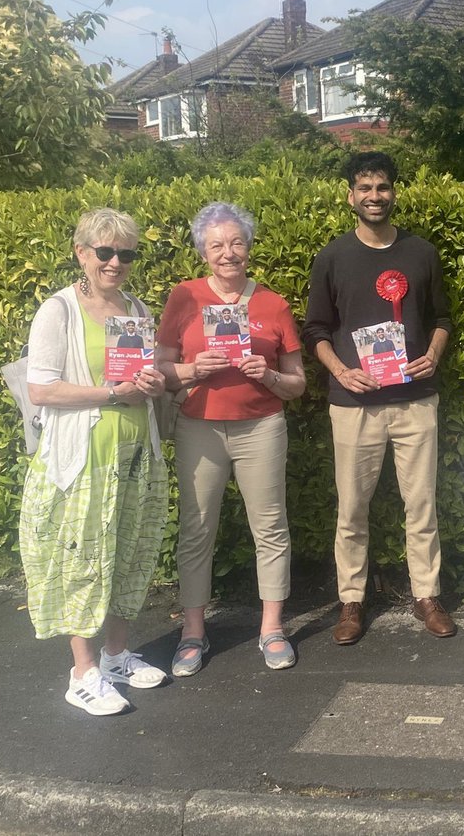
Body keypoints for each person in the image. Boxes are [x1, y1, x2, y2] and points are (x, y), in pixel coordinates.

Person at [18, 208, 168, 716]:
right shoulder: (58, 310)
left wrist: (150, 384)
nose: (115, 262)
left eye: (125, 253)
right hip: (83, 459)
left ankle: (115, 655)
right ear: (81, 253)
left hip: (134, 454)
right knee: (83, 560)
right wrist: (111, 392)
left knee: (128, 555)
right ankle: (82, 674)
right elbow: (40, 388)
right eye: (104, 252)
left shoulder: (138, 309)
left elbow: (143, 377)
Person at [303, 152, 456, 643]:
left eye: (383, 187)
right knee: (352, 509)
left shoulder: (421, 253)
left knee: (422, 504)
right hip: (354, 405)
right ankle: (351, 602)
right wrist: (342, 371)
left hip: (416, 397)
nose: (374, 196)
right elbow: (316, 330)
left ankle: (427, 596)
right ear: (351, 195)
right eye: (365, 188)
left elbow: (442, 319)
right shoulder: (331, 257)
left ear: (394, 192)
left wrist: (433, 353)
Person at [157, 202, 306, 675]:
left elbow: (298, 382)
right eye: (217, 245)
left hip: (261, 426)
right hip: (199, 426)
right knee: (197, 530)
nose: (228, 253)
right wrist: (190, 369)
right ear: (203, 251)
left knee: (271, 528)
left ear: (249, 247)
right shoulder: (184, 297)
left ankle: (272, 629)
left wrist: (269, 376)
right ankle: (193, 632)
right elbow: (159, 370)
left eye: (236, 243)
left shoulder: (273, 304)